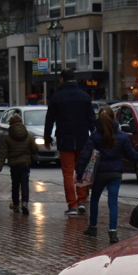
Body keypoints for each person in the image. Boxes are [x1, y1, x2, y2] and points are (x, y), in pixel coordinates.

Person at [76, 106, 138, 243]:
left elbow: (85, 155)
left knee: (95, 199)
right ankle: (113, 231)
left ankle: (93, 227)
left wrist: (79, 172)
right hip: (115, 173)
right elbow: (132, 155)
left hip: (100, 173)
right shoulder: (122, 136)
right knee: (113, 202)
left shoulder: (95, 136)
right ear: (114, 118)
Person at [44, 69, 97, 216]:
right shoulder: (84, 97)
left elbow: (49, 119)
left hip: (64, 139)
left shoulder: (56, 97)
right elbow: (91, 119)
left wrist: (47, 137)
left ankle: (72, 205)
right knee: (81, 170)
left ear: (62, 79)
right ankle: (81, 202)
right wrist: (95, 137)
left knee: (67, 173)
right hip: (82, 138)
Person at [0, 113, 34, 215]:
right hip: (25, 164)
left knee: (15, 185)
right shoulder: (27, 135)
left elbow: (3, 153)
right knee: (25, 184)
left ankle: (16, 205)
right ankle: (25, 203)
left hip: (14, 165)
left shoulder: (8, 137)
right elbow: (35, 148)